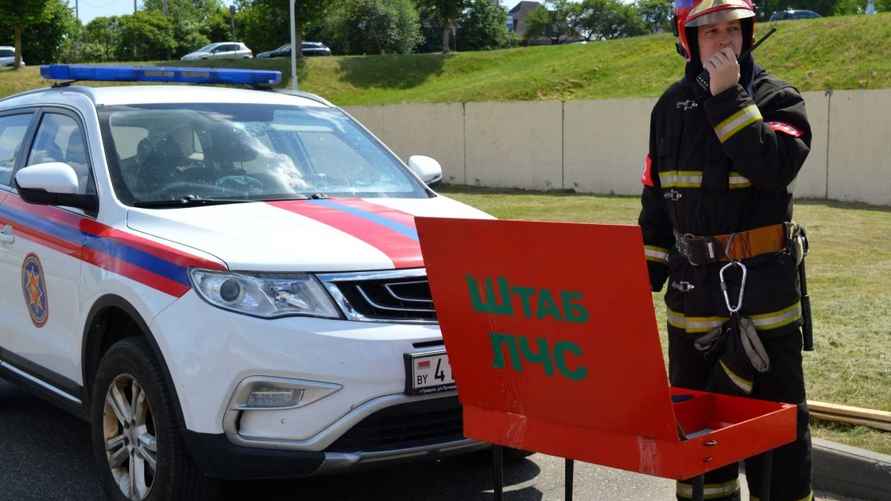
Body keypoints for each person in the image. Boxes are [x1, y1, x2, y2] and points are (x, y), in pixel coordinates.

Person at [638, 1, 813, 500]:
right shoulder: (668, 108)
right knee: (698, 446)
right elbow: (657, 203)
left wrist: (727, 99)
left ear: (748, 33)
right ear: (688, 39)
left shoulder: (779, 98)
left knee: (777, 440)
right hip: (692, 306)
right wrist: (639, 282)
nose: (723, 40)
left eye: (732, 29)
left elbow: (773, 166)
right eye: (709, 31)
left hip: (764, 303)